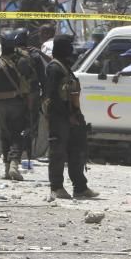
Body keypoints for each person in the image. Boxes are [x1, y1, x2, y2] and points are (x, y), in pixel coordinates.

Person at [45, 34, 99, 200]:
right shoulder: (54, 68)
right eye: (68, 46)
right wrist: (66, 115)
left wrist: (75, 115)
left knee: (77, 151)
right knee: (58, 152)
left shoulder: (64, 66)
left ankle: (80, 187)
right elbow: (52, 96)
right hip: (59, 117)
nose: (71, 49)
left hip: (71, 116)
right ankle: (56, 187)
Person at [0, 29, 39, 181]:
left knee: (4, 134)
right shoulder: (23, 61)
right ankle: (14, 164)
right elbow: (32, 83)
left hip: (0, 105)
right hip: (18, 103)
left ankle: (7, 168)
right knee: (17, 133)